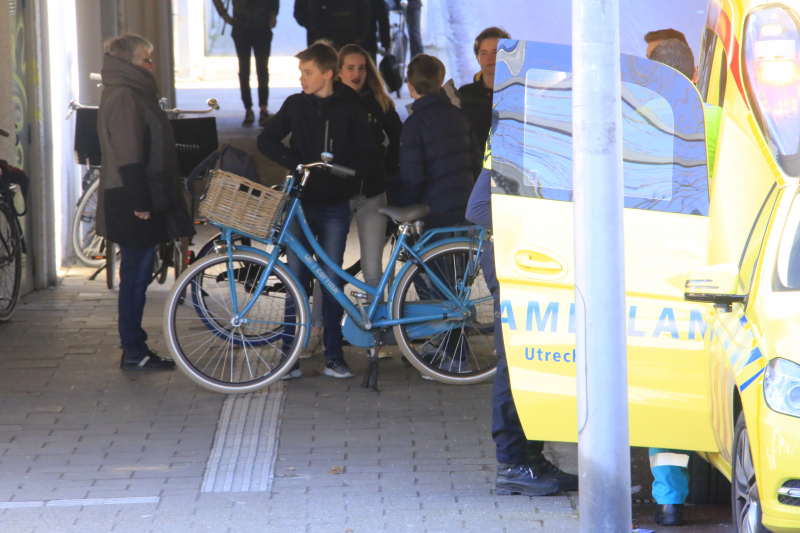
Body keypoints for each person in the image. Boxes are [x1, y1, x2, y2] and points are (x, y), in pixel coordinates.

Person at [257, 41, 380, 380]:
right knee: (295, 279)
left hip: (335, 206)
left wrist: (344, 172)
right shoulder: (296, 105)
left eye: (307, 72)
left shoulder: (351, 107)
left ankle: (334, 356)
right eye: (301, 72)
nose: (302, 78)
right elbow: (266, 139)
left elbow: (370, 153)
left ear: (327, 74)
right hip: (299, 204)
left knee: (330, 280)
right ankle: (289, 357)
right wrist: (295, 163)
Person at [466, 156, 578, 496]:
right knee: (513, 364)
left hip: (539, 261)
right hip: (517, 261)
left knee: (533, 360)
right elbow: (478, 209)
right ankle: (512, 465)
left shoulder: (545, 143)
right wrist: (546, 225)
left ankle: (531, 458)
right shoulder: (513, 140)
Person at [645, 35, 722, 527]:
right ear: (696, 74)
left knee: (664, 380)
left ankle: (670, 500)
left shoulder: (636, 123)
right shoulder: (721, 123)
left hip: (656, 270)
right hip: (718, 267)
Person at [96, 34, 195, 371]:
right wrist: (141, 202)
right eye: (146, 59)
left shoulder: (130, 92)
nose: (151, 66)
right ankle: (134, 350)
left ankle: (134, 348)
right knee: (135, 277)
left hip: (134, 195)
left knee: (136, 275)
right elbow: (129, 157)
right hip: (131, 198)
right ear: (130, 63)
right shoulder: (125, 96)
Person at [338, 44, 402, 292]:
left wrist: (388, 167)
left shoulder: (378, 101)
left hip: (372, 192)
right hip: (337, 195)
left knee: (373, 268)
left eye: (362, 68)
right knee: (329, 268)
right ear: (338, 71)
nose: (357, 74)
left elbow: (399, 136)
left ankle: (376, 317)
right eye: (350, 68)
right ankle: (324, 318)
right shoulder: (329, 102)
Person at [395, 54, 481, 228]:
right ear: (440, 82)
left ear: (410, 86)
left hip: (434, 214)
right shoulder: (458, 114)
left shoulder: (414, 124)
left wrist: (406, 208)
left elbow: (412, 178)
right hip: (466, 207)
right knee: (468, 246)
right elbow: (476, 162)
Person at [212, 0, 280, 127]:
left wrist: (273, 14)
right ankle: (249, 108)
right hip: (242, 27)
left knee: (261, 70)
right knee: (245, 70)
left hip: (261, 27)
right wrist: (224, 14)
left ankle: (263, 108)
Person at [459, 27, 510, 155]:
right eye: (483, 53)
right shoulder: (464, 95)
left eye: (495, 52)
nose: (489, 58)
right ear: (478, 58)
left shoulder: (523, 94)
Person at [293, 0, 371, 49]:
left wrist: (361, 34)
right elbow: (300, 13)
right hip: (322, 40)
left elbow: (365, 11)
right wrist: (315, 30)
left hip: (351, 38)